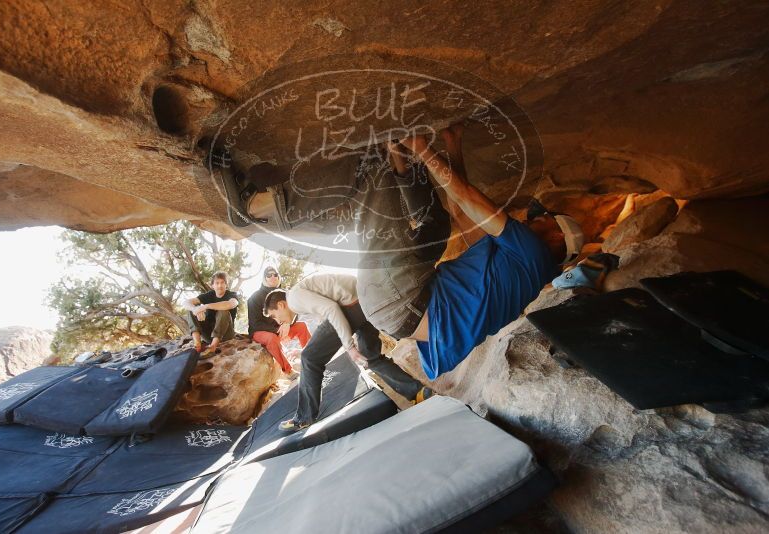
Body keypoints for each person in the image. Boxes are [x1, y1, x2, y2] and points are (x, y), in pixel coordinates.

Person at [356, 125, 585, 380]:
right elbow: (461, 212)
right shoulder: (522, 270)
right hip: (397, 308)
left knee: (375, 197)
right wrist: (454, 145)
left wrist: (422, 147)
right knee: (436, 224)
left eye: (543, 218)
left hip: (400, 297)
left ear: (557, 237)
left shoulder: (532, 250)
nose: (533, 218)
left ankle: (370, 156)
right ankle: (397, 153)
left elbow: (467, 198)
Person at [263, 274, 433, 432]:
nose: (277, 321)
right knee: (371, 358)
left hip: (350, 306)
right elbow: (326, 324)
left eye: (274, 316)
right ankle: (417, 392)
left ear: (281, 305)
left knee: (310, 358)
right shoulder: (302, 294)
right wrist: (308, 349)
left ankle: (304, 417)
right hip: (366, 301)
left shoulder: (293, 298)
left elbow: (331, 309)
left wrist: (349, 346)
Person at [247, 266, 311, 374]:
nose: (272, 277)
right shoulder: (254, 298)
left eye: (275, 274)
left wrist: (288, 323)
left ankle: (313, 357)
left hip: (280, 330)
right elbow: (255, 324)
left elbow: (295, 311)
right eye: (269, 275)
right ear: (264, 278)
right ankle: (288, 371)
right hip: (260, 332)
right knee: (271, 338)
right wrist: (277, 329)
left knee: (302, 326)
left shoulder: (284, 294)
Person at [182, 271, 239, 354]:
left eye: (222, 282)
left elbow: (231, 304)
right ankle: (197, 343)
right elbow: (186, 302)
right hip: (208, 336)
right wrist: (195, 310)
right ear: (212, 285)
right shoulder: (209, 295)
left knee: (223, 312)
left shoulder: (232, 295)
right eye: (217, 283)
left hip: (226, 335)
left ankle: (213, 346)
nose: (220, 285)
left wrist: (206, 306)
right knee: (191, 310)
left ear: (226, 285)